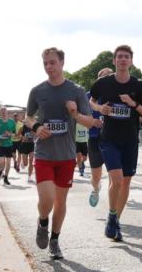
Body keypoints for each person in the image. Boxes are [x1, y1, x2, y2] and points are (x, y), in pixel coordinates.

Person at [27, 47, 101, 260]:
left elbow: (90, 122)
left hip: (66, 155)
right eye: (45, 63)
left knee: (60, 202)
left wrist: (74, 113)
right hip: (43, 154)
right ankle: (43, 222)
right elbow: (28, 117)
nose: (49, 67)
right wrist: (36, 127)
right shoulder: (37, 91)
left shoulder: (76, 91)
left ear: (62, 63)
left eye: (52, 62)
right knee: (47, 198)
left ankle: (55, 241)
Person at [90, 46, 142, 242]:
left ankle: (115, 219)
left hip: (130, 139)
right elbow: (91, 101)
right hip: (109, 138)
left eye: (126, 57)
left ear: (131, 61)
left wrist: (133, 104)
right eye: (120, 57)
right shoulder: (104, 83)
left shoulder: (139, 85)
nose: (123, 60)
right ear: (114, 61)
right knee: (116, 179)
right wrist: (100, 108)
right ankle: (111, 214)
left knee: (126, 181)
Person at [86, 68, 112, 206]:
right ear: (97, 80)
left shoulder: (116, 95)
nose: (107, 80)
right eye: (103, 78)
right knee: (96, 176)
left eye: (110, 77)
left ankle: (113, 209)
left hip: (112, 139)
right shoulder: (88, 96)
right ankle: (96, 189)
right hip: (94, 138)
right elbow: (79, 116)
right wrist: (91, 121)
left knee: (115, 174)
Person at [0, 107, 16, 186]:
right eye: (1, 112)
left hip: (9, 144)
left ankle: (6, 178)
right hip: (0, 144)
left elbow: (14, 133)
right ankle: (0, 172)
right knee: (2, 161)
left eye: (4, 111)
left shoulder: (12, 122)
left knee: (8, 163)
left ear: (7, 113)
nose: (3, 113)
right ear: (0, 113)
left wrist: (10, 134)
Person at [17, 116, 36, 182]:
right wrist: (23, 137)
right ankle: (23, 162)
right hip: (24, 145)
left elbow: (36, 134)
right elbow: (18, 135)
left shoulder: (33, 127)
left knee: (31, 160)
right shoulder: (22, 128)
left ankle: (29, 177)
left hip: (31, 145)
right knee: (25, 164)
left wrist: (34, 136)